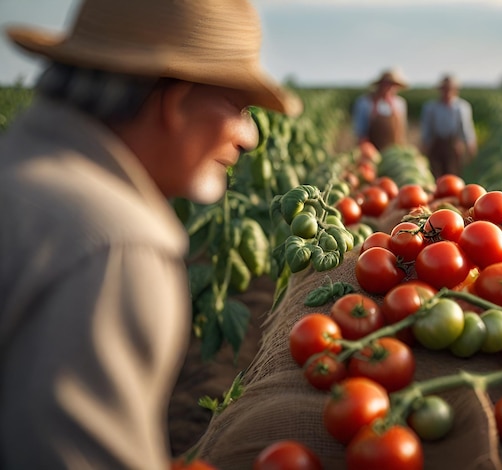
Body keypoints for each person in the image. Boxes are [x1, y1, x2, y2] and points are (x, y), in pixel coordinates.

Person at [0, 0, 301, 469]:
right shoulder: (112, 244)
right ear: (176, 102)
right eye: (238, 107)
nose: (249, 136)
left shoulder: (18, 172)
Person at [419, 74, 477, 178]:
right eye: (444, 89)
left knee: (453, 174)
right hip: (436, 143)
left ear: (455, 90)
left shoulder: (462, 107)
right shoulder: (431, 107)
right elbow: (427, 129)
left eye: (450, 89)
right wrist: (424, 146)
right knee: (435, 173)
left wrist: (470, 146)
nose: (447, 92)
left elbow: (466, 128)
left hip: (454, 144)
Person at [351, 68, 409, 151]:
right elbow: (360, 131)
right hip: (371, 149)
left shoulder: (400, 103)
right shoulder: (364, 103)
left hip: (394, 150)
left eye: (393, 85)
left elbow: (402, 130)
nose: (390, 88)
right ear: (380, 85)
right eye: (387, 84)